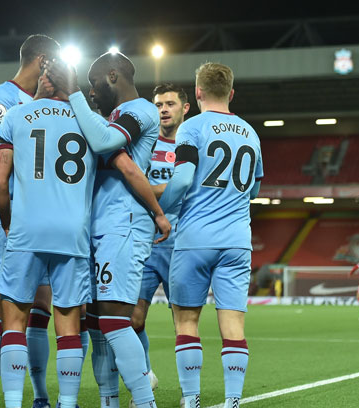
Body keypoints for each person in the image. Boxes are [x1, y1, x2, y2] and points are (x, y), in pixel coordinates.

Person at [46, 53, 170, 408]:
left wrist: (72, 94)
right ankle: (109, 401)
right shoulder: (106, 117)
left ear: (113, 76)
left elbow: (104, 144)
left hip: (124, 224)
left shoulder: (141, 111)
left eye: (93, 83)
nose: (90, 91)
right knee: (98, 326)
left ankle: (145, 402)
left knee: (116, 321)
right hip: (97, 227)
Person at [158, 62, 263, 408]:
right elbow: (254, 188)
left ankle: (192, 400)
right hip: (237, 241)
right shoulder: (250, 132)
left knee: (187, 321)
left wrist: (163, 212)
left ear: (198, 92)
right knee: (233, 326)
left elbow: (184, 178)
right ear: (231, 94)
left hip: (195, 238)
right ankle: (232, 401)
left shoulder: (192, 128)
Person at [0, 34, 60, 408]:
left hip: (37, 215)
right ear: (42, 61)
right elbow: (18, 143)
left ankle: (38, 396)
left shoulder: (49, 101)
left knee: (40, 306)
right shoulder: (1, 99)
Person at [0, 78, 96, 408]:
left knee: (15, 322)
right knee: (68, 325)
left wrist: (9, 225)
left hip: (26, 231)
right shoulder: (88, 119)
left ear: (42, 81)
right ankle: (66, 403)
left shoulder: (15, 116)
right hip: (72, 232)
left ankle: (12, 403)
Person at [130, 83, 190, 400]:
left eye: (169, 103)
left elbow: (192, 190)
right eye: (158, 104)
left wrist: (150, 188)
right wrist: (172, 187)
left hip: (182, 243)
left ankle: (188, 391)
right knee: (133, 318)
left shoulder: (193, 145)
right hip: (147, 241)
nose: (163, 109)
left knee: (183, 322)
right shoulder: (145, 145)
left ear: (185, 108)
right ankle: (146, 374)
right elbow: (132, 181)